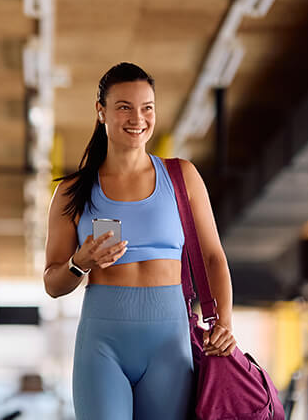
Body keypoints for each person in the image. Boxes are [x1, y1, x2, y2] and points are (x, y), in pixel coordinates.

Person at [43, 62, 237, 419]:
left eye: (147, 107)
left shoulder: (182, 177)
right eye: (124, 107)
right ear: (101, 111)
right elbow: (52, 284)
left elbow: (213, 258)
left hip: (169, 346)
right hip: (102, 346)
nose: (138, 118)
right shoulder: (71, 192)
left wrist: (224, 323)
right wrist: (79, 263)